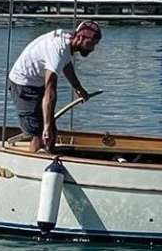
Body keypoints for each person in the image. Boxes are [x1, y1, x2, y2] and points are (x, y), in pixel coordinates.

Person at [7, 21, 102, 152]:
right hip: (23, 83)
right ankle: (34, 165)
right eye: (91, 44)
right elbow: (50, 89)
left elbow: (66, 63)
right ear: (80, 38)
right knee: (39, 133)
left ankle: (50, 157)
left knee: (52, 132)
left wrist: (77, 87)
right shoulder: (57, 50)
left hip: (37, 82)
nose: (92, 49)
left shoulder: (68, 42)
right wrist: (46, 126)